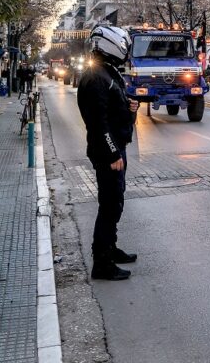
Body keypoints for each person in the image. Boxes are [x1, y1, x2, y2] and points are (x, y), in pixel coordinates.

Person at [77, 26, 139, 280]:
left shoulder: (107, 73)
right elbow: (98, 123)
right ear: (113, 45)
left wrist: (130, 108)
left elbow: (114, 112)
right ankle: (101, 263)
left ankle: (110, 249)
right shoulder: (95, 77)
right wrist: (113, 154)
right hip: (107, 153)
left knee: (116, 202)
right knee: (109, 205)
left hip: (115, 148)